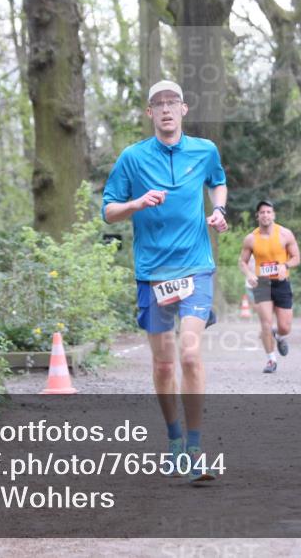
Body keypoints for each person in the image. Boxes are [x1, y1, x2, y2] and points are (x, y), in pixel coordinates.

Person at [102, 79, 227, 483]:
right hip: (153, 273)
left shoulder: (204, 151)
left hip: (195, 266)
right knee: (162, 363)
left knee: (189, 355)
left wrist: (219, 210)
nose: (167, 109)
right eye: (159, 104)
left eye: (173, 102)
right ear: (149, 113)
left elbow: (218, 182)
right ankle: (173, 440)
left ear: (184, 110)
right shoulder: (132, 158)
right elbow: (108, 211)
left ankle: (194, 448)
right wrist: (136, 203)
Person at [239, 200, 300, 373]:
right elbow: (242, 262)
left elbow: (296, 257)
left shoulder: (285, 234)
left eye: (268, 212)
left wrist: (285, 266)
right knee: (266, 324)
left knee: (285, 326)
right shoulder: (251, 238)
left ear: (273, 215)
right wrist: (249, 274)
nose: (265, 215)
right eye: (262, 212)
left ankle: (280, 337)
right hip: (262, 283)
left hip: (282, 283)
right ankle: (271, 360)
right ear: (257, 216)